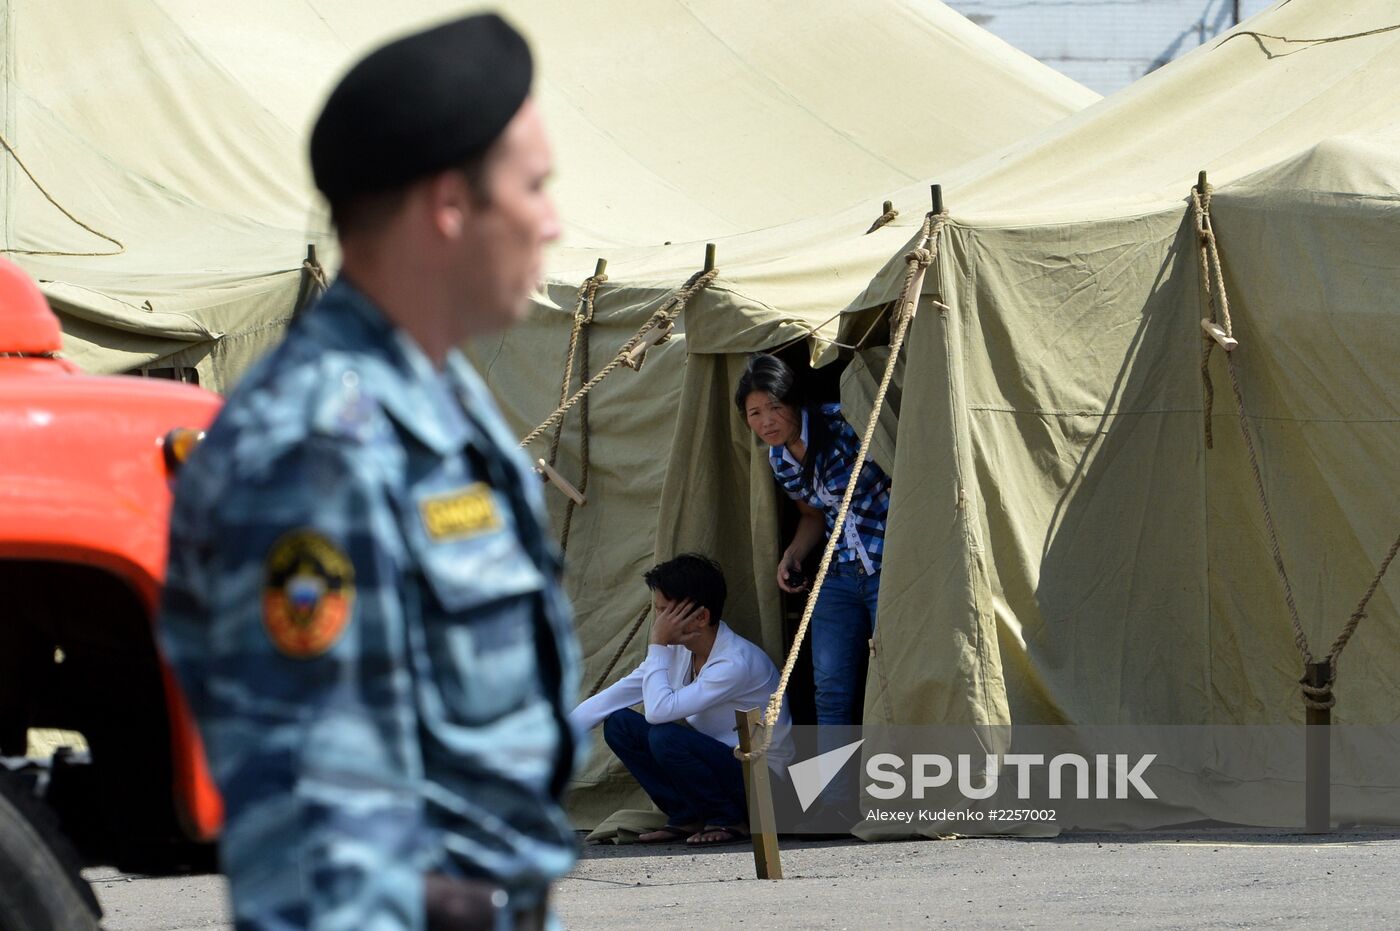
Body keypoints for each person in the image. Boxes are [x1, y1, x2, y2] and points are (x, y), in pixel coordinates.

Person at [159, 14, 579, 931]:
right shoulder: (317, 449)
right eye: (535, 187)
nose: (553, 220)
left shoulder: (437, 397)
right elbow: (324, 846)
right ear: (449, 207)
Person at [571, 554, 791, 846]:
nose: (657, 622)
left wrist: (658, 645)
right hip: (722, 767)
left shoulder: (735, 662)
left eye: (665, 612)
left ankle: (728, 819)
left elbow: (659, 713)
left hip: (763, 785)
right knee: (619, 723)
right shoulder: (679, 651)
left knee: (666, 737)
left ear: (700, 617)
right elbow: (613, 697)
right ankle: (687, 816)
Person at [735, 354, 892, 729]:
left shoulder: (846, 423)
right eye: (754, 413)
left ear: (795, 401)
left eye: (774, 407)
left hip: (889, 566)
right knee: (831, 690)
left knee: (894, 681)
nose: (766, 421)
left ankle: (898, 784)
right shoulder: (779, 458)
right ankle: (834, 790)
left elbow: (904, 471)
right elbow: (813, 515)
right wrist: (791, 556)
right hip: (838, 573)